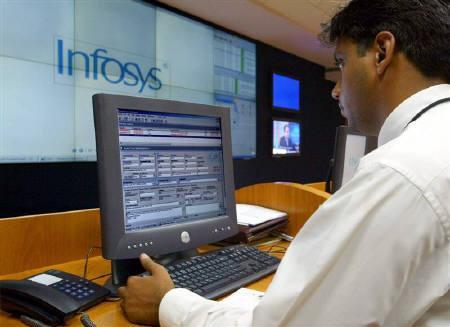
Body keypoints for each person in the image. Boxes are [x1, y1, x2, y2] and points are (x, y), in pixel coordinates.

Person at [118, 0, 450, 325]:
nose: (336, 91)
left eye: (342, 63)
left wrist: (168, 303)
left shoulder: (400, 173)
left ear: (381, 51)